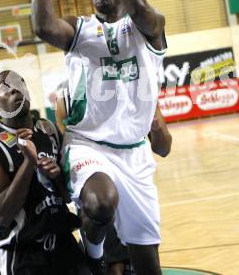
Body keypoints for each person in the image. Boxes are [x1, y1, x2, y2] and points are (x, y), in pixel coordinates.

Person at [32, 0, 167, 275]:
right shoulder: (81, 30)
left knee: (148, 266)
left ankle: (99, 253)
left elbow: (140, 9)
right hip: (88, 145)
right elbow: (43, 27)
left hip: (135, 155)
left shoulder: (148, 26)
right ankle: (92, 258)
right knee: (102, 201)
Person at [0, 70, 91, 275]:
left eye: (19, 83)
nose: (15, 90)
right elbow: (2, 214)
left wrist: (56, 177)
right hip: (22, 253)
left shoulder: (49, 130)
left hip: (63, 243)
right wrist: (29, 164)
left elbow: (66, 196)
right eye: (5, 88)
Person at [55, 85, 172, 275]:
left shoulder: (140, 87)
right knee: (112, 266)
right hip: (95, 177)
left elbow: (163, 149)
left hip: (131, 181)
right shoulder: (67, 91)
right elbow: (65, 143)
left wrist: (156, 130)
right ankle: (92, 254)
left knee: (142, 262)